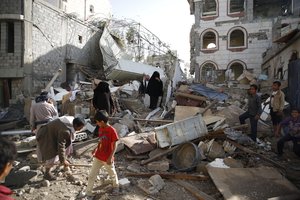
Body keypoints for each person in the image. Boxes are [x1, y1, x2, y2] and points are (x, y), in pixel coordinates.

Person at [84, 110, 119, 197]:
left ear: (102, 122)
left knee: (112, 173)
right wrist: (95, 149)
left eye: (97, 122)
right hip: (98, 156)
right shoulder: (100, 128)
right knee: (92, 175)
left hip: (107, 157)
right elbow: (100, 140)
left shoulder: (112, 130)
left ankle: (116, 186)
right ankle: (88, 192)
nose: (97, 124)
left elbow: (115, 145)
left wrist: (110, 157)